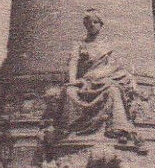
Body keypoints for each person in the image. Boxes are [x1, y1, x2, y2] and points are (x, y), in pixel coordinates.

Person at [60, 10, 143, 149]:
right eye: (88, 23)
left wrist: (96, 75)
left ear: (101, 24)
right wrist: (73, 80)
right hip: (85, 82)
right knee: (70, 92)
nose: (91, 25)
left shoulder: (107, 46)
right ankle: (71, 129)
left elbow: (114, 66)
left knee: (113, 90)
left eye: (95, 22)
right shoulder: (79, 44)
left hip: (101, 80)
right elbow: (73, 63)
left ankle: (119, 129)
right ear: (85, 25)